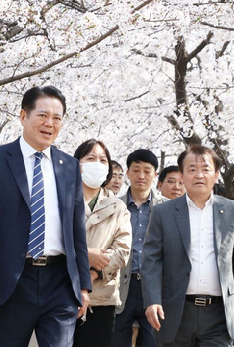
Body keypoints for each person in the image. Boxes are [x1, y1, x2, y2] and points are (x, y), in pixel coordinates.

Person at [0, 85, 91, 347]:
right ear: (23, 116)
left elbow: (76, 231)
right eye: (42, 115)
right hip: (11, 281)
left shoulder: (70, 167)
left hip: (60, 282)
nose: (49, 123)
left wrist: (84, 286)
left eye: (57, 118)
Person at [142, 145, 234, 347]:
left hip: (219, 314)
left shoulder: (232, 210)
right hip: (175, 310)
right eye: (192, 169)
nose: (199, 175)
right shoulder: (163, 212)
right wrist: (152, 300)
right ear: (183, 175)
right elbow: (151, 260)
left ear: (216, 174)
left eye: (205, 169)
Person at [72, 139, 132, 347]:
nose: (97, 163)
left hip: (101, 298)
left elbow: (121, 253)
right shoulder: (62, 200)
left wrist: (92, 274)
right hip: (62, 292)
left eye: (103, 160)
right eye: (90, 158)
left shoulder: (118, 207)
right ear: (76, 164)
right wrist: (86, 254)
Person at [114, 149, 165, 347]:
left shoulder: (166, 208)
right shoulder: (114, 206)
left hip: (154, 289)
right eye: (136, 170)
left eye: (147, 171)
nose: (141, 176)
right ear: (127, 173)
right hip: (121, 287)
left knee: (153, 342)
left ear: (155, 175)